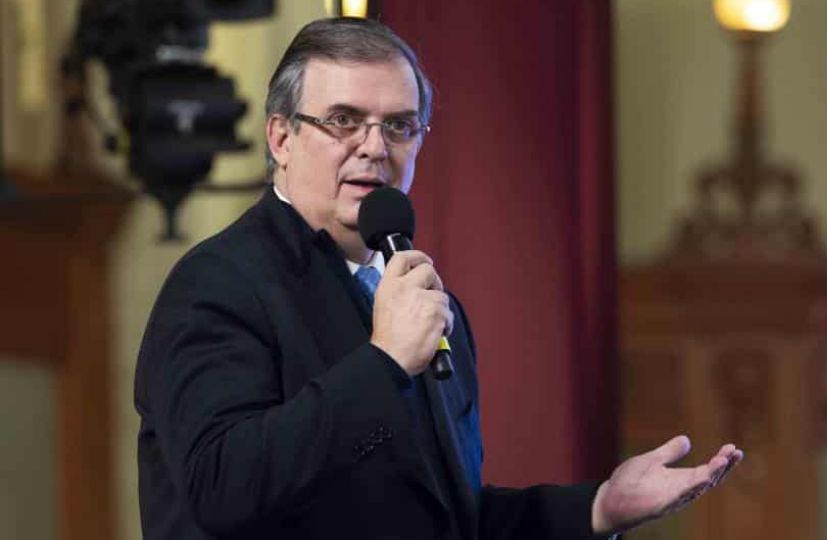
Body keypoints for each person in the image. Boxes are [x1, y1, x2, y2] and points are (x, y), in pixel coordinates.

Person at [134, 17, 742, 540]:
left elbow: (452, 519)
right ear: (281, 137)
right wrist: (384, 364)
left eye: (399, 126)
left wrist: (598, 508)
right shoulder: (218, 284)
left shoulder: (424, 304)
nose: (375, 147)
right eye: (344, 120)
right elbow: (220, 489)